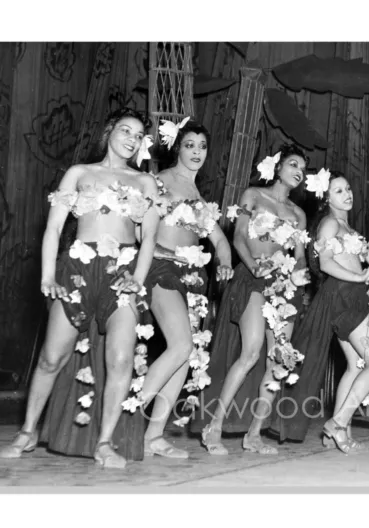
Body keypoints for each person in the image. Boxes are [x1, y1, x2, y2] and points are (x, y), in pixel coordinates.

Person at [0, 108, 160, 468]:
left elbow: (149, 236)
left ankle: (104, 443)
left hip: (123, 272)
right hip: (78, 268)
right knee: (51, 357)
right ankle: (27, 431)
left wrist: (138, 278)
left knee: (120, 359)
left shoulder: (146, 183)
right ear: (109, 132)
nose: (132, 138)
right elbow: (54, 228)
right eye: (125, 130)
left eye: (138, 135)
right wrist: (46, 276)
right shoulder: (79, 173)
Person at [190, 144, 311, 456]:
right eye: (293, 164)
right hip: (252, 278)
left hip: (283, 287)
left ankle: (254, 434)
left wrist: (300, 278)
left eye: (303, 168)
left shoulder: (299, 215)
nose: (298, 171)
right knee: (252, 351)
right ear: (278, 167)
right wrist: (252, 264)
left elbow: (298, 257)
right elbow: (239, 235)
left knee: (278, 361)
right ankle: (214, 425)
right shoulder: (253, 195)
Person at [139, 118, 234, 459]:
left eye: (202, 146)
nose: (196, 152)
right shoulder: (161, 181)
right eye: (189, 144)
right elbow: (143, 232)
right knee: (180, 346)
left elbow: (220, 239)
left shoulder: (198, 196)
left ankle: (154, 435)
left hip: (194, 279)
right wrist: (169, 254)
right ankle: (127, 418)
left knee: (185, 355)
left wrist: (223, 261)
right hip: (162, 269)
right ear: (177, 147)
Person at [272, 172, 369, 454]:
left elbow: (368, 261)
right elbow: (323, 263)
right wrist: (359, 278)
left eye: (348, 188)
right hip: (344, 295)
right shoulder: (330, 223)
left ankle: (338, 433)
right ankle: (338, 422)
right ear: (326, 197)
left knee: (356, 365)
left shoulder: (348, 227)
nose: (347, 194)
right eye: (338, 190)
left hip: (351, 294)